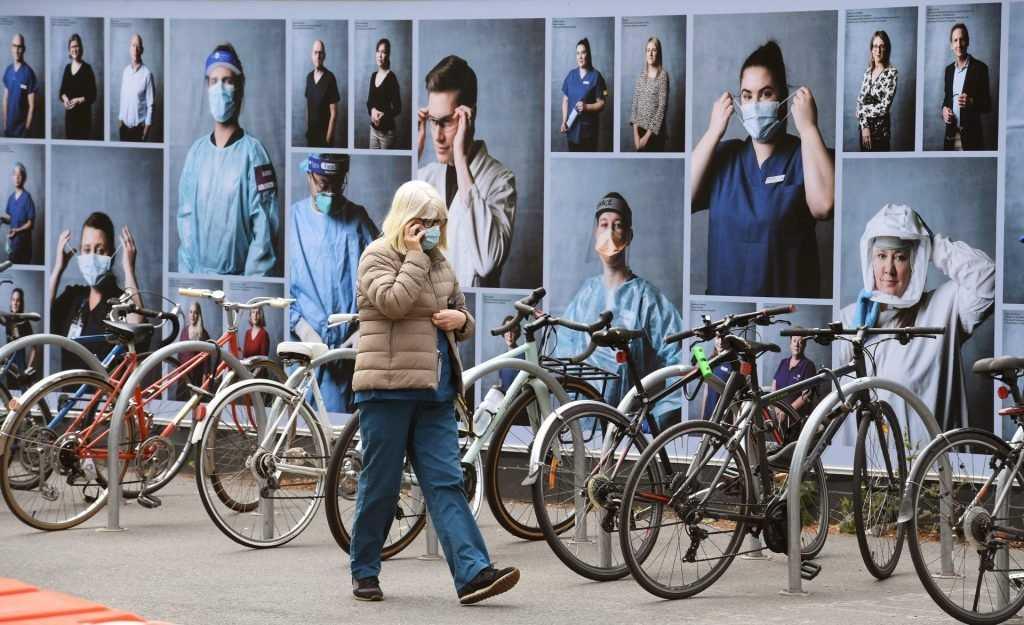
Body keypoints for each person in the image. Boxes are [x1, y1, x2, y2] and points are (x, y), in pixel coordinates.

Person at [349, 180, 519, 604]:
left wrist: (457, 321)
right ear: (404, 219)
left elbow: (464, 315)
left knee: (446, 482)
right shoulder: (377, 255)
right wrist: (411, 256)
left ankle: (473, 573)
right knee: (381, 484)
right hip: (387, 390)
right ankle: (365, 569)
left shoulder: (440, 263)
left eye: (437, 223)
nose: (430, 230)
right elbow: (392, 303)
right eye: (423, 222)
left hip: (434, 391)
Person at [692, 41, 834, 298]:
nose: (755, 104)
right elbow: (683, 198)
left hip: (785, 315)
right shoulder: (724, 156)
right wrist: (713, 131)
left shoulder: (807, 155)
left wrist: (810, 128)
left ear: (784, 99)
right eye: (747, 96)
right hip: (727, 315)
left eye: (766, 94)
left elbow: (823, 206)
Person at [839, 203, 995, 437]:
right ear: (870, 260)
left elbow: (989, 279)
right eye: (881, 256)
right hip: (869, 466)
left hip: (931, 466)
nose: (888, 270)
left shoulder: (944, 307)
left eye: (900, 257)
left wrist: (932, 244)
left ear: (915, 262)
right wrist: (854, 337)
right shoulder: (848, 317)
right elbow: (838, 397)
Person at [555, 193, 684, 429]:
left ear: (629, 235)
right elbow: (564, 351)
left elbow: (679, 355)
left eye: (618, 225)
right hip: (584, 425)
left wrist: (656, 417)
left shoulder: (646, 298)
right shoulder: (585, 294)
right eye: (604, 225)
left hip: (627, 427)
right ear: (595, 233)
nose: (610, 233)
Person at [177, 43, 279, 276]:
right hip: (198, 280)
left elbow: (264, 236)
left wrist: (245, 290)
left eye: (228, 81)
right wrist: (189, 279)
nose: (219, 88)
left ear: (240, 88)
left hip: (237, 285)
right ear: (206, 87)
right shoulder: (196, 154)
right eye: (214, 81)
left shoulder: (255, 156)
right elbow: (186, 224)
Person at [415, 55, 516, 288]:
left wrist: (460, 158)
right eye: (432, 121)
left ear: (470, 116)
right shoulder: (424, 177)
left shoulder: (500, 181)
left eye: (447, 122)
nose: (437, 137)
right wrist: (415, 152)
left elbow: (487, 261)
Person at [288, 153, 378, 413]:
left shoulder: (358, 221)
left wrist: (366, 328)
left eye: (336, 185)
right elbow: (277, 285)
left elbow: (382, 279)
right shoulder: (293, 220)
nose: (329, 193)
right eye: (322, 185)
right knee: (298, 431)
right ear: (309, 176)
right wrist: (302, 327)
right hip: (303, 346)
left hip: (346, 350)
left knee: (337, 436)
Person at [49, 212, 143, 368]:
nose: (92, 257)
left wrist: (129, 269)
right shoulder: (73, 296)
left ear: (112, 254)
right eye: (86, 250)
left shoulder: (121, 301)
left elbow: (137, 325)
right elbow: (43, 316)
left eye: (100, 251)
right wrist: (58, 269)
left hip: (105, 391)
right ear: (79, 251)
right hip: (68, 390)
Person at [942, 23, 992, 151]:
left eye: (962, 39)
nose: (959, 44)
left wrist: (971, 102)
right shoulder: (948, 71)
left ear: (968, 41)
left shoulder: (980, 68)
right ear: (951, 45)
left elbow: (987, 105)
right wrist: (944, 111)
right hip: (951, 136)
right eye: (955, 40)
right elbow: (947, 100)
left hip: (972, 138)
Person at [560, 38, 607, 152]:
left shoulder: (596, 76)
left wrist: (587, 107)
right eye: (578, 53)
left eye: (583, 52)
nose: (580, 56)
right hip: (571, 131)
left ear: (588, 54)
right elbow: (565, 100)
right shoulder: (571, 75)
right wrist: (564, 121)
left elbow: (602, 103)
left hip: (588, 133)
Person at [856, 31, 897, 152]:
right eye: (875, 46)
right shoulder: (867, 72)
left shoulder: (891, 73)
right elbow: (859, 102)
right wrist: (864, 126)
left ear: (886, 49)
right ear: (871, 49)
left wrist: (862, 110)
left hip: (880, 132)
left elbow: (884, 107)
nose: (878, 50)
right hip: (864, 131)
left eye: (882, 46)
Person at [630, 36, 668, 152]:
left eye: (654, 50)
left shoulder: (662, 76)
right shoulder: (642, 75)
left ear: (658, 53)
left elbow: (662, 108)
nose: (650, 54)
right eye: (648, 50)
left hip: (654, 134)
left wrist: (646, 137)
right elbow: (635, 103)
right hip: (639, 132)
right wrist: (636, 134)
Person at [58, 33, 97, 140]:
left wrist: (78, 100)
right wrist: (65, 99)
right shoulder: (67, 68)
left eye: (76, 46)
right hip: (70, 119)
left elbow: (93, 95)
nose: (74, 49)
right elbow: (61, 92)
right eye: (72, 47)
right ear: (69, 50)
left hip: (83, 120)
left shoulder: (87, 69)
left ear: (80, 48)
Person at [117, 33, 155, 142]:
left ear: (142, 50)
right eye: (133, 45)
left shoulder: (147, 74)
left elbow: (151, 105)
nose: (135, 49)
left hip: (138, 130)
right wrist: (120, 120)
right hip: (123, 128)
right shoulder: (125, 71)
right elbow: (123, 97)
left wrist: (146, 130)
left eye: (138, 46)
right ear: (129, 48)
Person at [771, 335, 817, 422]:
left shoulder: (808, 366)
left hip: (795, 417)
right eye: (794, 341)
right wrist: (777, 409)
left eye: (800, 342)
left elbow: (806, 395)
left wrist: (786, 411)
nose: (797, 344)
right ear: (790, 344)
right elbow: (774, 388)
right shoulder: (783, 362)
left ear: (804, 345)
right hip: (777, 413)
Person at [366, 38, 401, 150]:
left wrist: (383, 115)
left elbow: (398, 108)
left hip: (387, 134)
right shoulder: (373, 76)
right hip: (373, 131)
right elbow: (369, 102)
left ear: (388, 55)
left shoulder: (391, 78)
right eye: (378, 51)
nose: (380, 55)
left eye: (383, 52)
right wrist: (372, 110)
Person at [305, 39, 339, 148]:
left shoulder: (330, 78)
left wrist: (327, 141)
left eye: (320, 53)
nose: (318, 56)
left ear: (324, 55)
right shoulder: (309, 78)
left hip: (325, 139)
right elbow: (310, 108)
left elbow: (334, 114)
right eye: (315, 52)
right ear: (312, 55)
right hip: (311, 137)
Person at [2, 33, 37, 138]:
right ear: (11, 48)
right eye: (14, 46)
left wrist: (26, 129)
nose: (16, 50)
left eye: (19, 47)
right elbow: (5, 100)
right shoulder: (8, 71)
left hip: (22, 131)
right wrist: (5, 124)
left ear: (24, 49)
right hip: (8, 129)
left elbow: (32, 106)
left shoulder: (29, 73)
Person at [176, 301, 211, 400]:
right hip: (184, 375)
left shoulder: (203, 334)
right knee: (181, 401)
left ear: (199, 315)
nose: (192, 315)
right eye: (190, 312)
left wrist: (205, 379)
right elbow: (180, 354)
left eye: (195, 312)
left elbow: (206, 360)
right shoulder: (184, 331)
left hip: (197, 376)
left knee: (196, 402)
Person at [4, 287, 37, 381]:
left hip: (21, 370)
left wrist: (28, 370)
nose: (15, 303)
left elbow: (34, 348)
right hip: (8, 369)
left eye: (18, 300)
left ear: (21, 303)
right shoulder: (7, 320)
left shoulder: (25, 323)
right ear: (10, 302)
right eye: (13, 300)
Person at [5, 162, 35, 264]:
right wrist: (2, 219)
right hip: (13, 244)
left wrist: (17, 231)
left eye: (20, 175)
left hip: (24, 245)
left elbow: (30, 223)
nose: (17, 178)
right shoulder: (10, 199)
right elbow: (10, 219)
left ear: (24, 178)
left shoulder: (27, 198)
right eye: (15, 175)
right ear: (12, 177)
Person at [497, 314, 520, 393]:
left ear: (517, 333)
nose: (509, 335)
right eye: (507, 330)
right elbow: (502, 384)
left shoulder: (525, 356)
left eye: (512, 331)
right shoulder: (502, 359)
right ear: (503, 333)